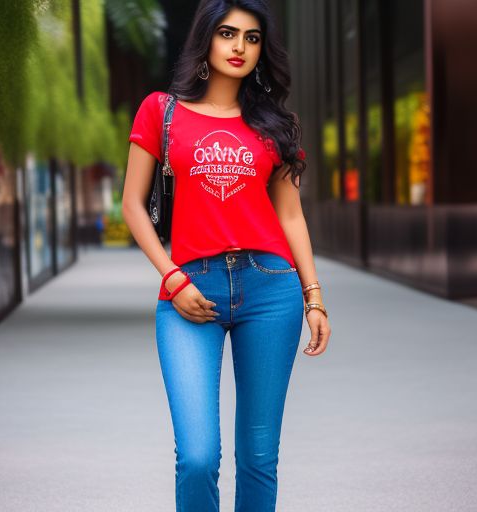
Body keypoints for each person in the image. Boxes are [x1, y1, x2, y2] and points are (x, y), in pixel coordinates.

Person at [122, 1, 331, 510]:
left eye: (252, 38)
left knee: (259, 455)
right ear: (206, 40)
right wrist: (172, 278)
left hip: (270, 287)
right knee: (197, 455)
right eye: (227, 33)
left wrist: (314, 297)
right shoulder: (161, 111)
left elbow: (290, 216)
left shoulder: (276, 123)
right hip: (190, 289)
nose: (239, 46)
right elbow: (131, 205)